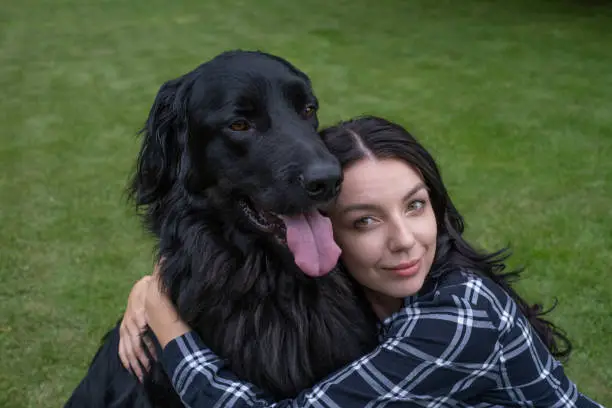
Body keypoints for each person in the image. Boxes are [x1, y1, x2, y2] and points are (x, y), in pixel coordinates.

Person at [121, 116, 602, 407]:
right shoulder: (349, 292)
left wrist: (168, 324)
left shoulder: (457, 317)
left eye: (415, 206)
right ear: (321, 231)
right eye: (365, 221)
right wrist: (150, 282)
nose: (405, 241)